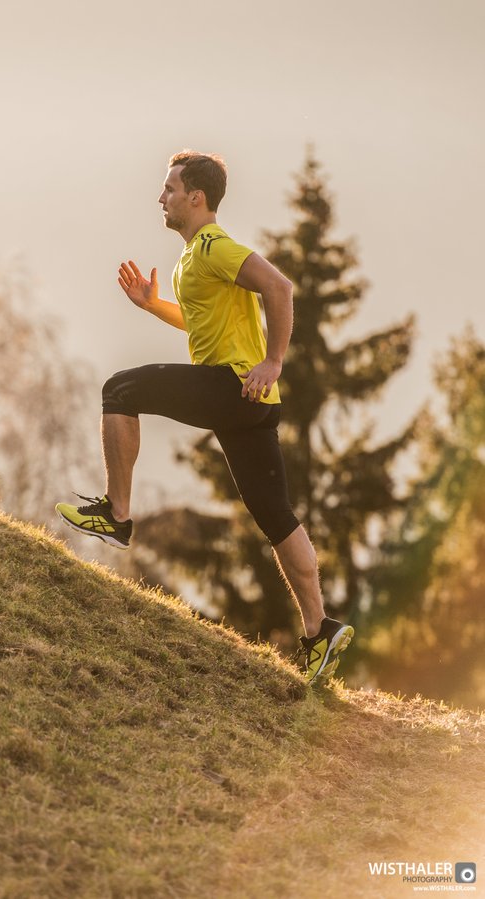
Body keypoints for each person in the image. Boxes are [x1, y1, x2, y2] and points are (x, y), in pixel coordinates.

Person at [56, 150, 354, 684]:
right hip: (251, 403)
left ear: (197, 197)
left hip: (234, 385)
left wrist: (273, 360)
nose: (161, 197)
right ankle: (319, 630)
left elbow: (279, 287)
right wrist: (153, 305)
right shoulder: (193, 257)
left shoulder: (214, 245)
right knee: (276, 516)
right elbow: (200, 327)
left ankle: (117, 515)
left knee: (119, 389)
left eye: (169, 188)